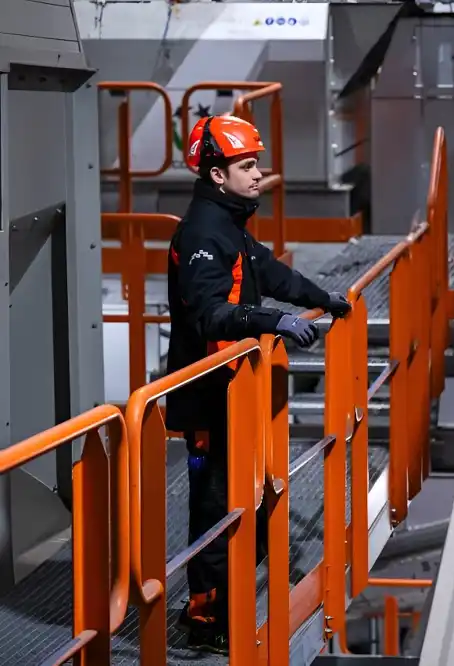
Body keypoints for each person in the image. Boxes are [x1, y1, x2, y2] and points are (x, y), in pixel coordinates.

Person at [166, 114, 351, 654]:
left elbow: (269, 273)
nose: (257, 175)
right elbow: (208, 315)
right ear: (217, 175)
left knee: (237, 501)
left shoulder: (228, 224)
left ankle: (224, 601)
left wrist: (323, 297)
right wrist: (273, 322)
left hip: (234, 390)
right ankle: (207, 617)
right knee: (215, 505)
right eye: (246, 167)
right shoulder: (204, 232)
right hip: (208, 395)